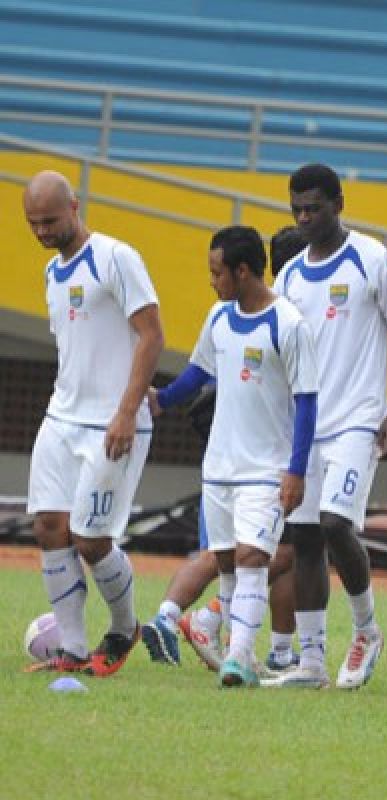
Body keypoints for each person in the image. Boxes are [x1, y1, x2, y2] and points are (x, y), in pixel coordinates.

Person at [266, 164, 387, 690]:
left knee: (335, 524)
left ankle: (367, 629)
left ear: (339, 203)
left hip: (358, 421)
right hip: (306, 426)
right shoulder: (286, 278)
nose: (305, 218)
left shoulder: (373, 260)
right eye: (297, 210)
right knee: (304, 537)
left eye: (314, 207)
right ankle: (310, 663)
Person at [149, 225, 318, 688]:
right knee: (226, 561)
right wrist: (161, 399)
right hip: (219, 466)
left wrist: (296, 470)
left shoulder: (289, 323)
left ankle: (240, 657)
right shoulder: (219, 317)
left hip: (266, 468)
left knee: (251, 559)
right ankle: (232, 652)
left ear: (243, 271)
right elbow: (198, 372)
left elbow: (307, 400)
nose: (212, 280)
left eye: (217, 272)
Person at [22, 170, 164, 676]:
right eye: (33, 224)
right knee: (47, 527)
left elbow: (151, 335)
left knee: (90, 539)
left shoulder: (115, 257)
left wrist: (127, 409)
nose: (42, 232)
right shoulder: (51, 274)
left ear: (75, 206)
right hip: (61, 416)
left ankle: (125, 627)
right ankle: (74, 649)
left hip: (113, 422)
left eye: (50, 221)